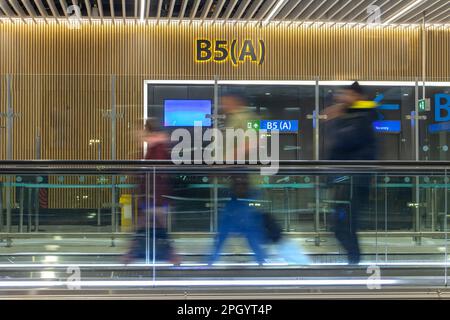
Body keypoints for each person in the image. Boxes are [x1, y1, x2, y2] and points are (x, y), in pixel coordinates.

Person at [322, 81, 378, 265]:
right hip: (346, 181)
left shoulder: (362, 117)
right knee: (342, 226)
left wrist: (335, 120)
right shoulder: (354, 116)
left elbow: (342, 143)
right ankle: (353, 263)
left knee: (345, 226)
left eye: (345, 94)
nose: (341, 98)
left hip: (354, 181)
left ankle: (354, 264)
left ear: (356, 96)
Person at [208, 93, 268, 265]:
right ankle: (261, 261)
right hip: (237, 183)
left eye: (225, 100)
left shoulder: (249, 118)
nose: (222, 104)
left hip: (247, 183)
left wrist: (224, 162)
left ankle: (211, 261)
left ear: (235, 100)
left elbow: (254, 142)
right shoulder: (232, 120)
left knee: (239, 225)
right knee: (242, 226)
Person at [122, 119, 179, 264]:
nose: (139, 134)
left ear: (149, 131)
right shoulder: (156, 147)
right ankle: (171, 257)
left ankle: (131, 255)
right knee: (152, 229)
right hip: (154, 197)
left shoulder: (157, 148)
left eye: (142, 130)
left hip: (154, 197)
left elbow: (157, 172)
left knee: (150, 229)